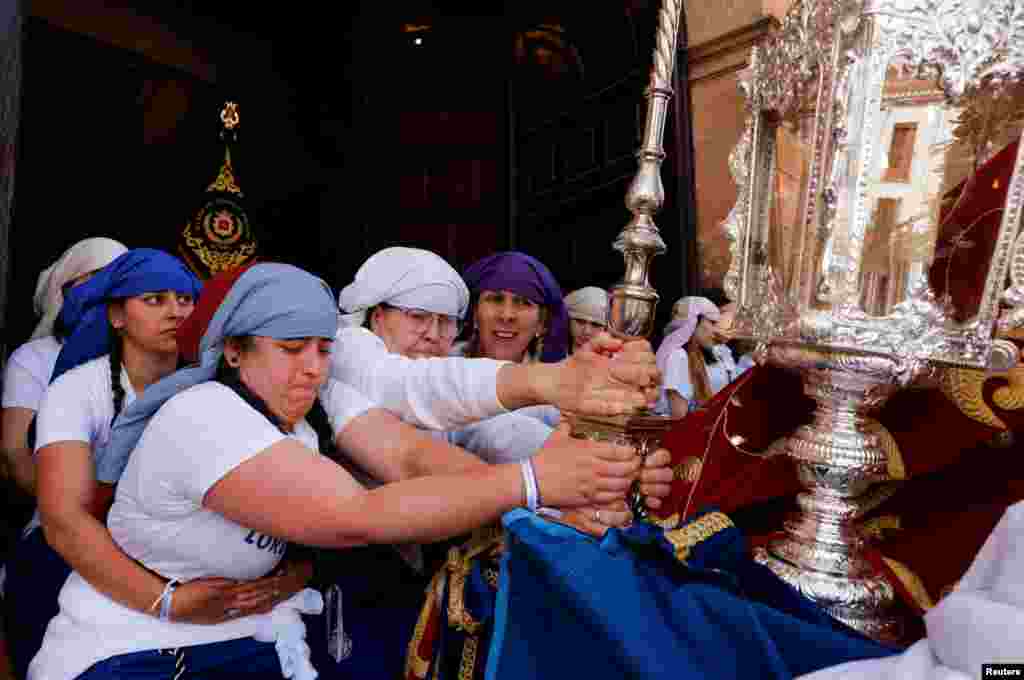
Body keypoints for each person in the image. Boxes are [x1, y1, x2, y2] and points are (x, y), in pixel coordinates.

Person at [27, 262, 654, 680]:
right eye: (291, 349)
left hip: (250, 642)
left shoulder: (309, 407)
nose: (312, 367)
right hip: (136, 654)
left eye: (323, 350)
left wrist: (562, 493)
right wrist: (534, 480)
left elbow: (411, 455)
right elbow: (359, 515)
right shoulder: (203, 414)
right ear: (235, 351)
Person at [4, 249, 256, 679]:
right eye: (154, 299)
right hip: (78, 549)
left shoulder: (215, 390)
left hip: (189, 556)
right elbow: (65, 519)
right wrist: (166, 600)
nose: (175, 312)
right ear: (117, 316)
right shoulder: (75, 390)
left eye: (184, 300)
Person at [1, 237, 127, 499]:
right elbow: (16, 455)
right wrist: (71, 517)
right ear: (66, 289)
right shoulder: (34, 358)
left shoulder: (142, 355)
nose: (107, 288)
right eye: (96, 276)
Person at [457, 251, 569, 364]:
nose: (507, 315)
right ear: (475, 314)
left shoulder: (561, 379)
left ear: (541, 323)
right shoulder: (444, 371)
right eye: (496, 299)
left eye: (524, 303)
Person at [654, 296, 742, 418]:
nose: (715, 330)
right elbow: (679, 416)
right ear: (694, 322)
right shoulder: (677, 356)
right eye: (711, 322)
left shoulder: (703, 354)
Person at [564, 286, 608, 354]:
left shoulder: (613, 360)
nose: (587, 331)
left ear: (605, 328)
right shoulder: (548, 353)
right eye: (580, 321)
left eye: (596, 325)